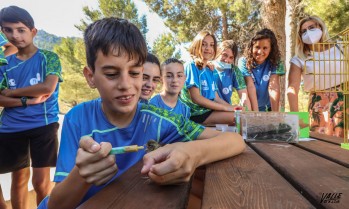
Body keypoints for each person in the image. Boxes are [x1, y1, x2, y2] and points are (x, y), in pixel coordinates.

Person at [37, 17, 245, 209]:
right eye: (111, 74)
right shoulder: (77, 117)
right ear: (90, 76)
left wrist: (192, 153)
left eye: (135, 73)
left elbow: (235, 140)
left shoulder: (158, 119)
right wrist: (81, 177)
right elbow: (56, 204)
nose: (126, 85)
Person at [0, 6, 62, 208]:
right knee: (18, 180)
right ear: (2, 32)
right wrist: (27, 100)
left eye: (20, 30)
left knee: (40, 182)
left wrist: (13, 92)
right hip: (11, 127)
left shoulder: (49, 57)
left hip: (42, 125)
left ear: (33, 31)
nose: (15, 35)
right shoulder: (4, 64)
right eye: (8, 30)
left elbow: (47, 87)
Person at [287, 16, 344, 137]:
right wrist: (296, 118)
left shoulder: (341, 47)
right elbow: (292, 88)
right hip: (319, 104)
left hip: (345, 98)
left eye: (311, 27)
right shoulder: (299, 59)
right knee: (321, 146)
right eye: (303, 31)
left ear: (320, 27)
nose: (308, 32)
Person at [180, 31, 238, 125]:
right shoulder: (191, 65)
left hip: (207, 111)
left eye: (211, 45)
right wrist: (226, 108)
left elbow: (216, 97)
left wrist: (232, 108)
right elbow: (196, 98)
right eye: (204, 44)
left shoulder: (209, 69)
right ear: (197, 45)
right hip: (195, 114)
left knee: (240, 114)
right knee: (237, 118)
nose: (208, 48)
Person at [238, 28, 285, 112]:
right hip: (250, 107)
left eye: (265, 48)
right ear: (251, 47)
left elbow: (273, 87)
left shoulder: (276, 62)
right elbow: (250, 86)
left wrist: (275, 114)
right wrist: (256, 113)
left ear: (271, 49)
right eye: (257, 47)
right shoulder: (243, 61)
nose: (260, 51)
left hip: (269, 106)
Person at [212, 40, 251, 110]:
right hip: (209, 109)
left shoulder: (234, 71)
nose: (227, 60)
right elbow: (214, 98)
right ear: (218, 52)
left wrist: (247, 112)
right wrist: (231, 108)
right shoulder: (207, 68)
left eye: (231, 57)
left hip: (227, 110)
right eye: (225, 55)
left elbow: (244, 95)